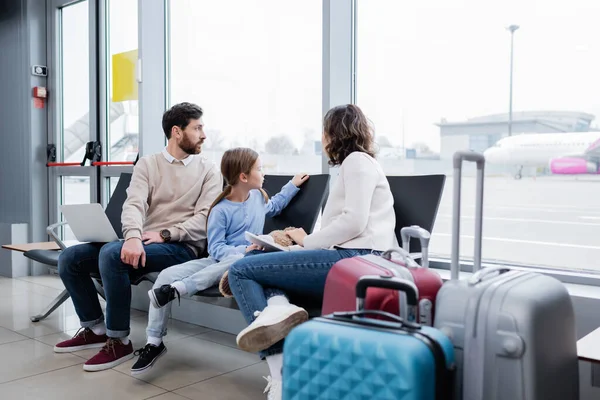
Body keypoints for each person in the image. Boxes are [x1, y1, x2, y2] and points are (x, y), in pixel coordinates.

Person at [227, 104, 397, 399]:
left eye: (324, 130)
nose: (322, 138)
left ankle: (280, 370)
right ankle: (278, 310)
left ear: (335, 132)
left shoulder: (357, 161)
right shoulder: (355, 165)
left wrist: (306, 241)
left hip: (356, 259)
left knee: (240, 270)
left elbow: (354, 221)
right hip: (348, 255)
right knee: (254, 258)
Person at [54, 102, 223, 372]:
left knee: (111, 254)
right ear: (177, 132)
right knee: (70, 257)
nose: (204, 134)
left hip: (183, 247)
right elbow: (133, 204)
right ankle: (95, 328)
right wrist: (132, 237)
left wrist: (166, 234)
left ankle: (118, 339)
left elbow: (204, 219)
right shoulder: (148, 163)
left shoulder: (208, 170)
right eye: (198, 128)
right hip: (146, 242)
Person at [130, 147, 309, 375]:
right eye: (260, 169)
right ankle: (154, 341)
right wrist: (244, 249)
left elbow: (274, 205)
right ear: (243, 177)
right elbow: (215, 249)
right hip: (215, 261)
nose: (263, 173)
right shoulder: (220, 210)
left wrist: (292, 185)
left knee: (239, 259)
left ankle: (179, 289)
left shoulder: (258, 197)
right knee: (166, 275)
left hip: (242, 263)